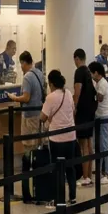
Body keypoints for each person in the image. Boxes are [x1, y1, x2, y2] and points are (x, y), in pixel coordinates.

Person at [8, 51, 45, 202]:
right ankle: (38, 187)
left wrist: (14, 98)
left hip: (29, 118)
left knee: (28, 154)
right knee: (37, 151)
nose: (21, 67)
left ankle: (27, 193)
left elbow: (26, 97)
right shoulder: (39, 73)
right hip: (39, 116)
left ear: (24, 62)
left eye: (21, 64)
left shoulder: (28, 77)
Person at [40, 69, 78, 205]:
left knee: (57, 169)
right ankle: (73, 196)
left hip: (57, 139)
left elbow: (42, 117)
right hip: (71, 136)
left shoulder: (50, 97)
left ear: (51, 83)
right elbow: (73, 111)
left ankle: (58, 198)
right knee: (70, 168)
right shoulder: (68, 93)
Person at [72, 49, 95, 186]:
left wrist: (74, 108)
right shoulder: (88, 71)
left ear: (77, 59)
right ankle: (89, 175)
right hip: (90, 111)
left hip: (82, 112)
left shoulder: (79, 72)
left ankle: (85, 176)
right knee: (88, 143)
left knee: (83, 145)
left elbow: (77, 91)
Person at [89, 61, 108, 180]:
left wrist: (92, 91)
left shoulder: (102, 84)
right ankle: (100, 170)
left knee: (104, 145)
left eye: (91, 73)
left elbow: (100, 98)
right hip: (98, 116)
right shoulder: (98, 83)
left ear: (96, 73)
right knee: (97, 145)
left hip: (104, 117)